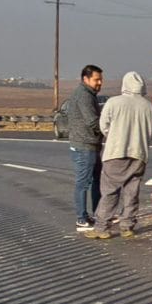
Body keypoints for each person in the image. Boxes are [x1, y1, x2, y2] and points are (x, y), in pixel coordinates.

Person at [87, 71, 152, 239]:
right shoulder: (149, 107)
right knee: (131, 191)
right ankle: (127, 226)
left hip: (115, 152)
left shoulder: (113, 102)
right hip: (139, 153)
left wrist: (114, 136)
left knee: (110, 191)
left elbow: (103, 126)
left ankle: (102, 227)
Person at [63, 64, 105, 231]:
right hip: (84, 146)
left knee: (96, 181)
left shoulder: (89, 94)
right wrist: (108, 130)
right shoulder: (84, 96)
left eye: (101, 79)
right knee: (84, 182)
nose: (100, 83)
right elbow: (92, 121)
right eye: (96, 79)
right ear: (85, 79)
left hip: (91, 145)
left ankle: (98, 214)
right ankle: (81, 218)